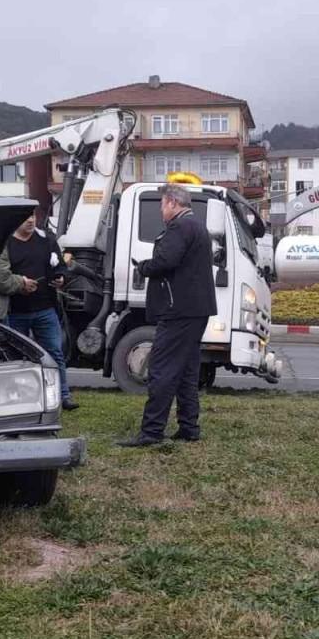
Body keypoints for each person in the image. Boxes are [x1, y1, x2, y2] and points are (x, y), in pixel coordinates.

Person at [120, 183, 216, 447]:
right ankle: (189, 427)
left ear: (173, 202)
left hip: (178, 310)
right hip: (195, 309)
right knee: (186, 370)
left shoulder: (180, 227)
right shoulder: (196, 226)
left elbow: (166, 261)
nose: (161, 209)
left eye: (162, 204)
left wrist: (144, 267)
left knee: (161, 369)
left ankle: (151, 432)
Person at [4, 214, 78, 411]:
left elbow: (60, 265)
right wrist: (20, 284)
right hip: (15, 311)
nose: (30, 220)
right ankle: (18, 399)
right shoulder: (6, 242)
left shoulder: (46, 240)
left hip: (45, 309)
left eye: (33, 216)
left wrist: (61, 277)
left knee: (54, 353)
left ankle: (63, 396)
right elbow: (0, 275)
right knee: (17, 357)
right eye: (26, 216)